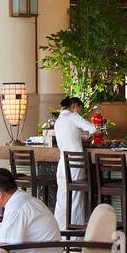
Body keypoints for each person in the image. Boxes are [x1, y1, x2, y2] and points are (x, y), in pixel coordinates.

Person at [53, 96, 97, 232]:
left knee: (62, 198)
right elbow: (93, 129)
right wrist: (89, 136)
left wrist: (79, 137)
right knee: (76, 197)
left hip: (62, 163)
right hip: (75, 163)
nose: (79, 112)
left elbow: (69, 137)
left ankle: (60, 232)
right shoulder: (73, 116)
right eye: (79, 109)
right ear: (74, 106)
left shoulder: (58, 121)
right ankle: (75, 236)